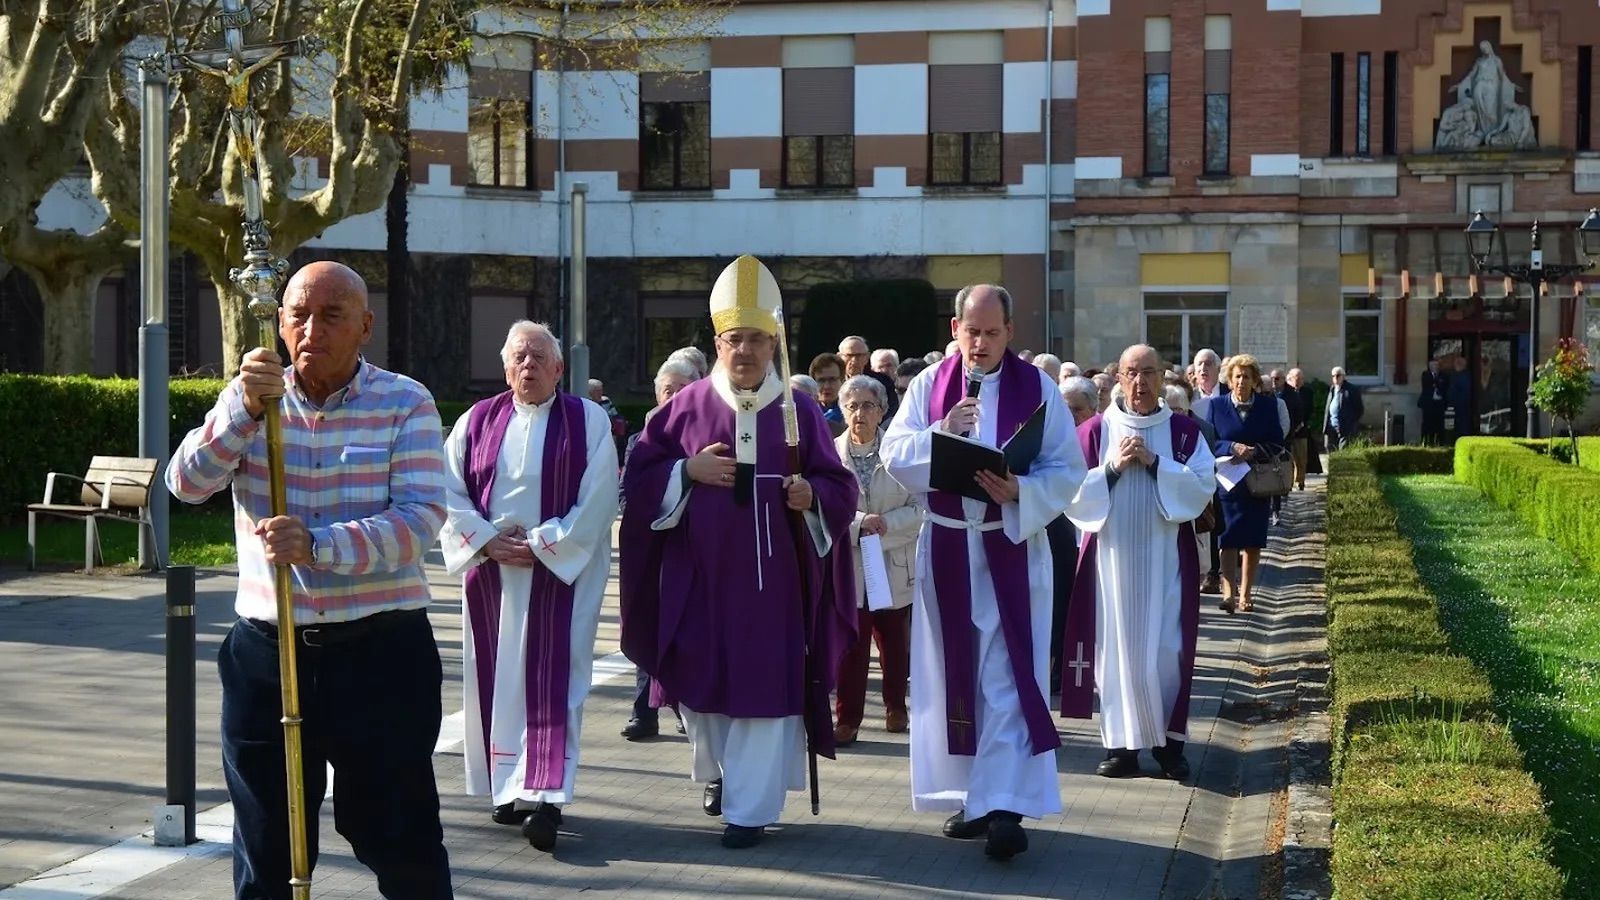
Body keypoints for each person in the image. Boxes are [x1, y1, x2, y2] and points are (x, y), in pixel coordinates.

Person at [166, 261, 453, 899]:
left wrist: (318, 546)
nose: (310, 330)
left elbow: (419, 521)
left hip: (378, 653)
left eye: (331, 316)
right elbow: (185, 485)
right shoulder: (251, 401)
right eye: (298, 314)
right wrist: (240, 409)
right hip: (268, 651)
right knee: (268, 840)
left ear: (365, 327)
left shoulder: (405, 401)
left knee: (393, 832)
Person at [619, 255, 859, 850]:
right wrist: (686, 469)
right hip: (702, 582)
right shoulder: (685, 407)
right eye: (734, 339)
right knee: (704, 691)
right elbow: (641, 479)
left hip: (774, 588)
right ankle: (726, 780)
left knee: (764, 696)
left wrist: (812, 496)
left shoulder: (799, 409)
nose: (744, 351)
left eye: (756, 339)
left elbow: (840, 484)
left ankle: (750, 810)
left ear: (773, 341)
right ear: (718, 343)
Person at [882, 284, 1087, 862]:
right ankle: (976, 798)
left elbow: (1067, 470)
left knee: (1003, 678)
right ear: (955, 330)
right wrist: (941, 433)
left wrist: (1022, 488)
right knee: (957, 680)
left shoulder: (1038, 389)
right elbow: (897, 453)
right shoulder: (928, 386)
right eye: (971, 332)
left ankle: (1003, 807)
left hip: (1010, 550)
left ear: (1010, 333)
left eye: (992, 333)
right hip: (947, 549)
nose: (980, 344)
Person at [439, 322, 618, 852]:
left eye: (540, 358)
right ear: (505, 368)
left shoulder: (588, 422)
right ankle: (505, 784)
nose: (529, 366)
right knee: (498, 679)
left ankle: (546, 797)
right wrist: (488, 541)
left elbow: (600, 496)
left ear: (560, 369)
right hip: (491, 573)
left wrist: (542, 544)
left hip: (561, 576)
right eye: (519, 357)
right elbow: (447, 489)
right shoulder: (476, 421)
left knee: (556, 680)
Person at [1061, 345, 1216, 781]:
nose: (1141, 382)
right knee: (1113, 654)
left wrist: (1154, 464)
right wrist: (1111, 469)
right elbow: (1068, 489)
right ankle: (1121, 749)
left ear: (1162, 377)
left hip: (1167, 561)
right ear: (1120, 377)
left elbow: (1203, 486)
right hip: (1110, 565)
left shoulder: (1184, 433)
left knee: (1167, 652)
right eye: (1132, 373)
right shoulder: (1094, 431)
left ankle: (1169, 748)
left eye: (1149, 373)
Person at [833, 374, 919, 746]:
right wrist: (857, 525)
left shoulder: (899, 454)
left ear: (883, 411)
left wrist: (887, 525)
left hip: (891, 562)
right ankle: (847, 718)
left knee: (894, 643)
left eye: (867, 405)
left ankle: (896, 706)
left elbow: (920, 508)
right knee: (851, 646)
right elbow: (822, 507)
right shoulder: (830, 454)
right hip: (851, 565)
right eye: (851, 406)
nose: (859, 414)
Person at [620, 359, 699, 742]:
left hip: (697, 552)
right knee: (650, 631)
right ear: (657, 394)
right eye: (669, 390)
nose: (675, 398)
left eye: (684, 390)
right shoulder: (643, 439)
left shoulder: (711, 433)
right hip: (653, 550)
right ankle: (644, 711)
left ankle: (689, 713)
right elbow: (628, 492)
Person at [1208, 354, 1285, 613]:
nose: (1241, 381)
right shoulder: (1217, 406)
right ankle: (1228, 594)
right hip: (1228, 482)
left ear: (1254, 382)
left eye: (1246, 377)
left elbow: (1277, 442)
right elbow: (1209, 441)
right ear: (1230, 381)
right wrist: (1231, 446)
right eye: (1237, 376)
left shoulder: (1267, 407)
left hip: (1257, 482)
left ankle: (1246, 594)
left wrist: (1254, 451)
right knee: (1227, 538)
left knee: (1252, 541)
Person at [1269, 369, 1304, 525]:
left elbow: (1298, 415)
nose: (1274, 382)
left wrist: (1290, 432)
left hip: (1284, 439)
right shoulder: (1267, 396)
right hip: (1264, 443)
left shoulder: (1291, 396)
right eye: (1272, 379)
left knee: (1280, 471)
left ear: (1283, 379)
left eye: (1277, 379)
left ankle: (1277, 505)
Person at [839, 335, 900, 419]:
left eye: (858, 356)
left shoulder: (884, 383)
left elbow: (891, 411)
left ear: (867, 357)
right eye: (849, 355)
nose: (853, 360)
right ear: (839, 357)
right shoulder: (833, 382)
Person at [1323, 366, 1364, 450]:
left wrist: (1351, 423)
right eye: (1333, 376)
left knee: (1343, 450)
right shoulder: (1332, 389)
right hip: (1331, 426)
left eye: (1338, 375)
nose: (1335, 378)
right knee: (1330, 449)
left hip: (1345, 428)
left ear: (1343, 376)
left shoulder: (1351, 390)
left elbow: (1359, 409)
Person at [1287, 368, 1317, 484]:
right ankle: (1290, 481)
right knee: (1290, 457)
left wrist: (1303, 422)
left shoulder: (1307, 392)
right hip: (1289, 430)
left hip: (1302, 429)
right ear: (1290, 378)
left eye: (1300, 379)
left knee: (1302, 457)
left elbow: (1310, 409)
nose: (1298, 381)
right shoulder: (1287, 392)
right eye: (1296, 378)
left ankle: (1300, 481)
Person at [809, 352, 848, 437]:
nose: (827, 386)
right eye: (821, 380)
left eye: (832, 380)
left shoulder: (851, 414)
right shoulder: (807, 412)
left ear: (842, 381)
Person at [1418, 359, 1448, 446]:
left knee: (1439, 424)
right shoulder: (1425, 374)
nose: (1435, 367)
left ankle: (1440, 442)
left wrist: (1436, 383)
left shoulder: (1444, 375)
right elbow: (1427, 385)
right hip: (1428, 403)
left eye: (1436, 365)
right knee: (1427, 423)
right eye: (1433, 365)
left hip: (1439, 403)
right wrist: (1436, 382)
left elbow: (1445, 386)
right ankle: (1426, 441)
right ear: (1429, 366)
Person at [1447, 355, 1475, 441]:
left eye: (1458, 363)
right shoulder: (1453, 375)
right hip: (1454, 408)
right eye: (1455, 363)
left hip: (1463, 408)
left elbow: (1464, 392)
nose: (1455, 365)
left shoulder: (1465, 376)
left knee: (1462, 429)